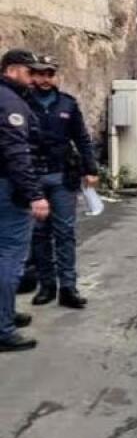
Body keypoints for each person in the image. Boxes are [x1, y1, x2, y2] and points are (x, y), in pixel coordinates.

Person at [29, 55, 97, 309]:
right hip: (34, 177)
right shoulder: (24, 103)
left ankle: (68, 288)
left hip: (62, 177)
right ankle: (47, 286)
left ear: (55, 75)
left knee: (65, 233)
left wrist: (91, 169)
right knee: (39, 234)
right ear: (33, 75)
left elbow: (81, 137)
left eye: (50, 74)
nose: (45, 79)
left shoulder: (67, 104)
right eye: (40, 74)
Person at [0, 49, 50, 352]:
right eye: (29, 72)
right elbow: (17, 153)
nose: (34, 78)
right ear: (11, 70)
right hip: (9, 189)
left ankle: (5, 313)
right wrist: (35, 195)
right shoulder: (10, 103)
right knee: (10, 258)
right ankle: (3, 329)